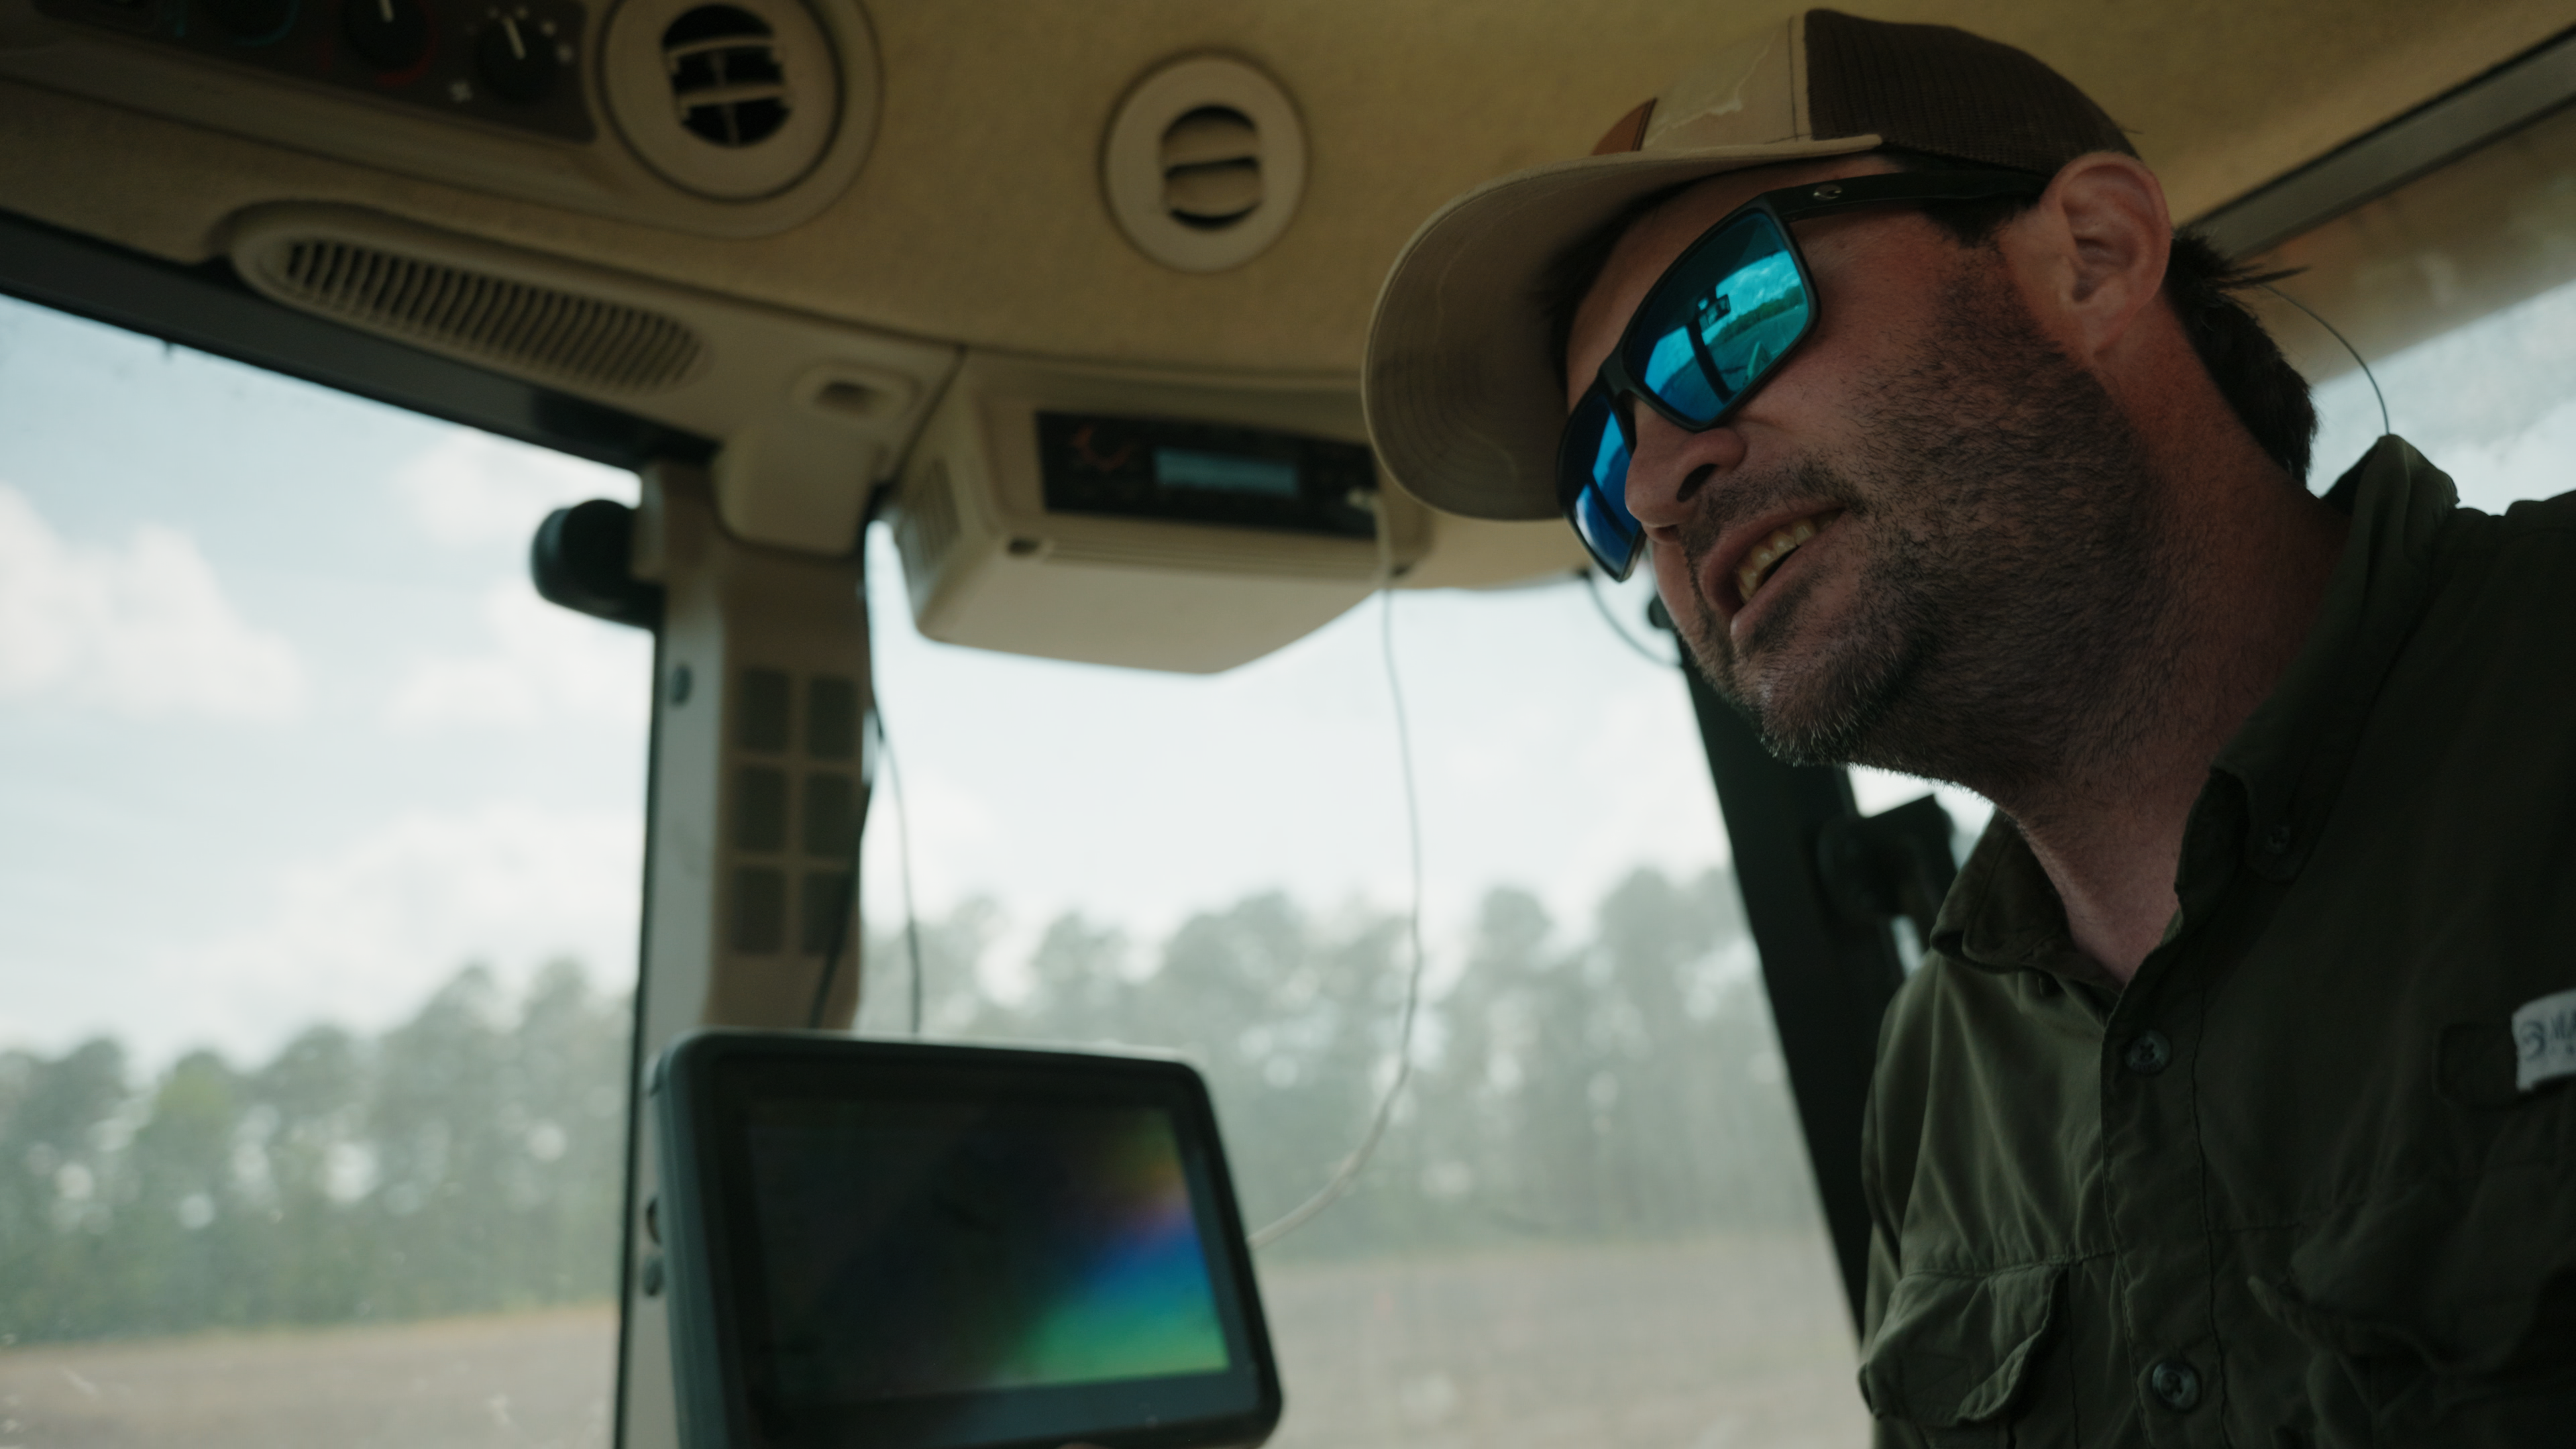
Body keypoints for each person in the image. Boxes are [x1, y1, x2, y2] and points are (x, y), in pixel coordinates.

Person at [1362, 11, 2576, 1447]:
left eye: (1722, 317)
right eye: (1603, 460)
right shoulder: (1937, 1076)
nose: (1658, 485)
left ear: (2094, 257)